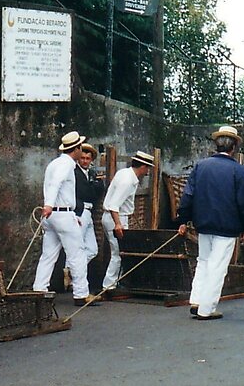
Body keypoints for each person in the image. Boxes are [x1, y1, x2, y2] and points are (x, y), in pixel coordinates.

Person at [177, 126, 244, 320]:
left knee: (203, 261)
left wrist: (183, 219)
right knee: (217, 266)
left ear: (216, 144)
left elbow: (188, 195)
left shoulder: (200, 166)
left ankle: (197, 299)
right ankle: (207, 308)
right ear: (234, 147)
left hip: (203, 223)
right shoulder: (239, 171)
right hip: (227, 226)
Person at [31, 131, 95, 307]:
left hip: (53, 216)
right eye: (80, 147)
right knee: (77, 253)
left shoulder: (54, 163)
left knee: (48, 255)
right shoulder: (66, 165)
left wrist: (49, 206)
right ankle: (81, 293)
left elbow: (53, 185)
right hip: (61, 213)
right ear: (76, 148)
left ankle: (39, 290)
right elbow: (55, 184)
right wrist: (49, 205)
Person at [100, 151, 155, 291]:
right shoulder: (128, 181)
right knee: (118, 253)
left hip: (115, 216)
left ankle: (115, 282)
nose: (148, 171)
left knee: (119, 252)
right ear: (142, 167)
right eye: (147, 167)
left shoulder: (124, 173)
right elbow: (114, 205)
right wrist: (118, 223)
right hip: (116, 217)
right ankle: (109, 285)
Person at [75, 143, 106, 269]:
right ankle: (71, 276)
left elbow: (98, 191)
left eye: (88, 158)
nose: (85, 161)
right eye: (82, 158)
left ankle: (72, 271)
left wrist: (96, 186)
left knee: (92, 250)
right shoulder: (75, 173)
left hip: (89, 211)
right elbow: (85, 192)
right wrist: (95, 187)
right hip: (79, 210)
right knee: (77, 247)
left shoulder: (91, 174)